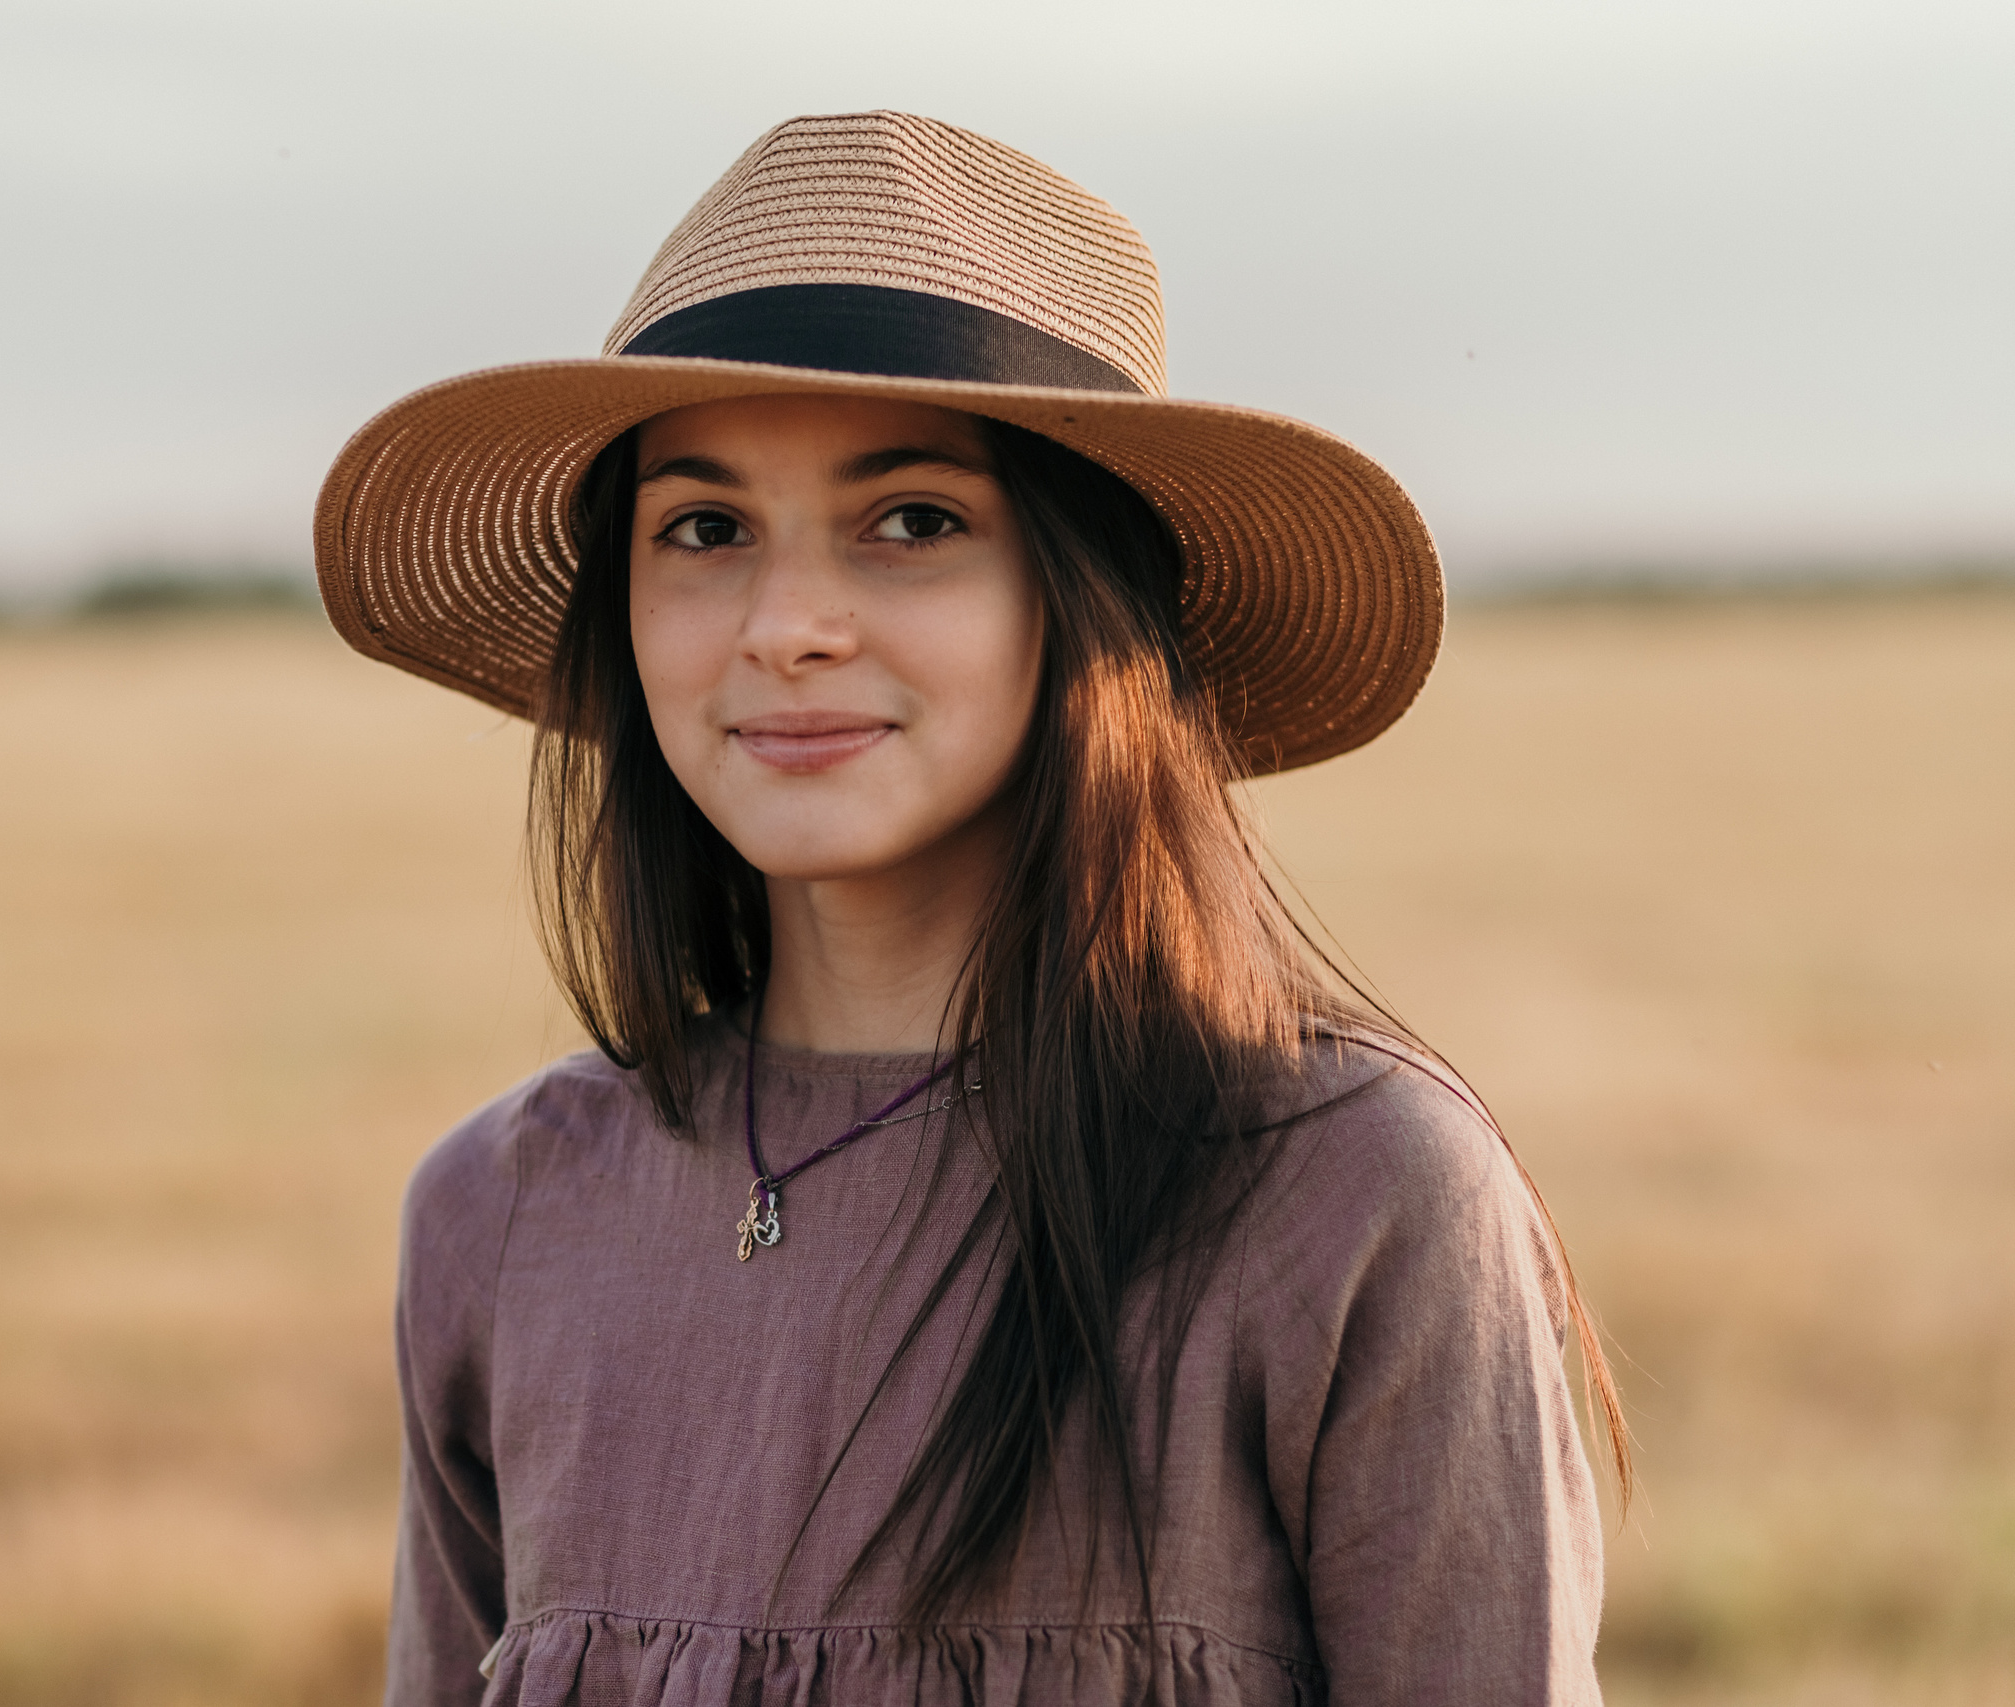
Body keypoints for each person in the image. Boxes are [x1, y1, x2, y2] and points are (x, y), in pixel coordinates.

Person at [316, 111, 1624, 1707]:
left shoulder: (1354, 1199)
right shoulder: (502, 1214)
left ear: (1082, 597)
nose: (788, 624)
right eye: (704, 528)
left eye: (915, 521)